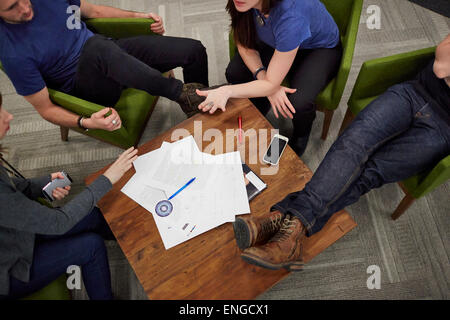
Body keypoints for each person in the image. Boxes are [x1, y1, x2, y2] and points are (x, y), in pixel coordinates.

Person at [233, 34, 450, 271]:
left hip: (443, 128)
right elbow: (441, 66)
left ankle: (284, 218)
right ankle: (292, 233)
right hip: (414, 93)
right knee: (351, 145)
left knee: (371, 173)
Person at [0, 91, 139, 299]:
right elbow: (59, 222)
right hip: (10, 269)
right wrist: (108, 178)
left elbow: (13, 187)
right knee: (91, 246)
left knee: (91, 216)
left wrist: (41, 185)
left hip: (13, 234)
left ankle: (134, 242)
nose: (9, 115)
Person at [0, 0, 209, 133]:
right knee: (97, 47)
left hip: (110, 52)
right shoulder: (11, 53)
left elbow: (95, 11)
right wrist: (85, 122)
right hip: (87, 86)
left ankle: (201, 106)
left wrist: (137, 17)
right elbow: (45, 109)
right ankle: (181, 93)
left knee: (193, 50)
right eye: (12, 7)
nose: (25, 8)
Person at [196, 0, 342, 156]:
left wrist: (227, 91)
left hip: (316, 49)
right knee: (235, 71)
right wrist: (266, 81)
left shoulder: (291, 16)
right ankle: (260, 105)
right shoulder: (242, 3)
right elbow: (243, 41)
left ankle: (301, 134)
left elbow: (271, 83)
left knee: (299, 103)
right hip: (277, 41)